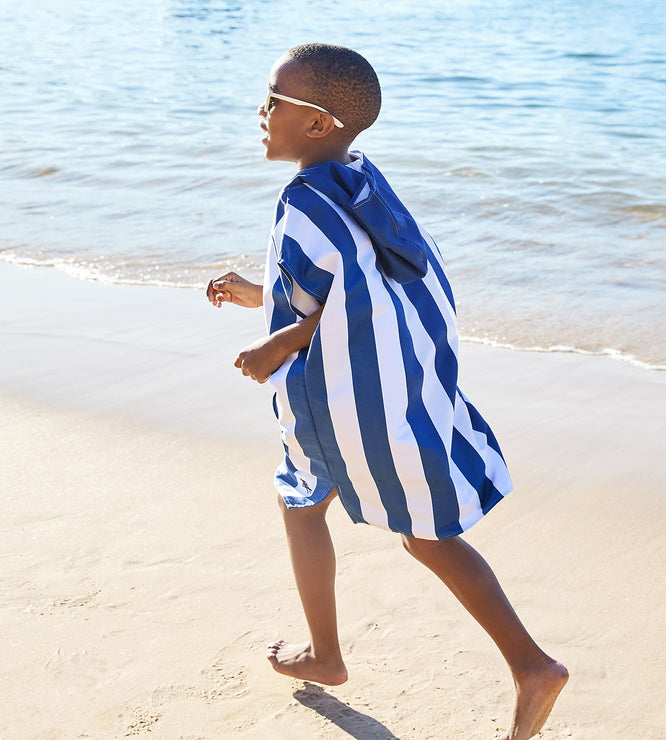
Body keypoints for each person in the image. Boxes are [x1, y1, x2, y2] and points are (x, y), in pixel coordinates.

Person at [207, 43, 567, 740]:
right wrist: (263, 297)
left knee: (341, 513)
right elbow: (354, 286)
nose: (263, 110)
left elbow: (320, 310)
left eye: (276, 99)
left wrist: (272, 346)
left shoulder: (301, 200)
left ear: (317, 123)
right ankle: (337, 654)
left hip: (341, 396)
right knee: (383, 523)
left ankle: (524, 665)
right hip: (391, 379)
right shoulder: (357, 177)